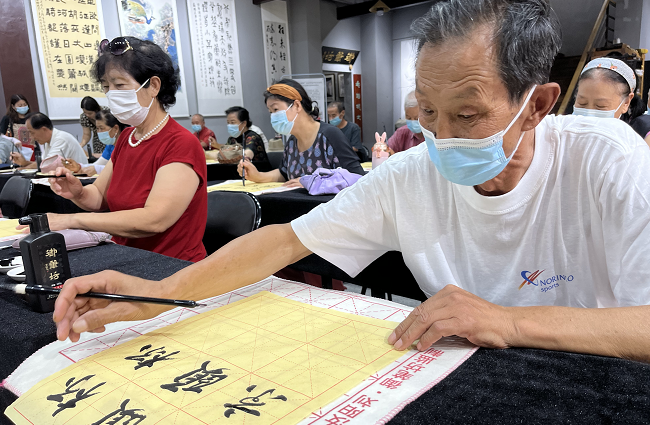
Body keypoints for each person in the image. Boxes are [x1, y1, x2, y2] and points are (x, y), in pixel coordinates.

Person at [52, 0, 650, 366]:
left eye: (467, 115)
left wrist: (509, 321)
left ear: (538, 104)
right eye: (427, 112)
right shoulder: (412, 175)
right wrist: (157, 295)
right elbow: (285, 241)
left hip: (587, 374)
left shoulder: (607, 160)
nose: (441, 137)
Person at [43, 36, 207, 263]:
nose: (111, 94)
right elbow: (99, 197)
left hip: (171, 266)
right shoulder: (126, 138)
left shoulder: (180, 143)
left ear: (154, 86)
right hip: (127, 258)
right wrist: (78, 193)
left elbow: (154, 220)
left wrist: (73, 220)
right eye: (106, 87)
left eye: (119, 85)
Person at [237, 79, 365, 188]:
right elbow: (284, 173)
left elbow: (357, 177)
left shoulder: (329, 136)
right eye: (270, 112)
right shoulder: (292, 142)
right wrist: (258, 176)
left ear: (297, 106)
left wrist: (311, 183)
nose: (273, 116)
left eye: (276, 109)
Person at [9, 113, 87, 168]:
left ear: (44, 129)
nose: (32, 137)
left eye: (32, 133)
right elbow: (42, 163)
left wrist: (23, 168)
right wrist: (24, 163)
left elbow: (48, 166)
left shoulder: (61, 139)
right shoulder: (48, 141)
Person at [63, 110, 127, 176]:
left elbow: (122, 170)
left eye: (101, 128)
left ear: (115, 128)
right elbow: (98, 164)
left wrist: (97, 169)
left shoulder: (127, 145)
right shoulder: (110, 146)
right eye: (97, 128)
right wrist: (79, 167)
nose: (99, 132)